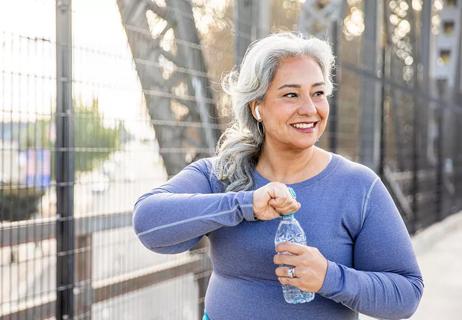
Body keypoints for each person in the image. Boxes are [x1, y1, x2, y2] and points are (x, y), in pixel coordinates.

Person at [133, 32, 423, 320]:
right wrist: (244, 206)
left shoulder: (359, 186)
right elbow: (148, 224)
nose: (310, 109)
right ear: (257, 107)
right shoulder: (220, 174)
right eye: (291, 94)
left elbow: (406, 294)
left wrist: (330, 278)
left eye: (318, 93)